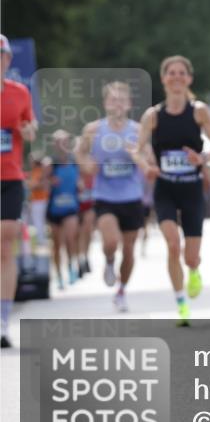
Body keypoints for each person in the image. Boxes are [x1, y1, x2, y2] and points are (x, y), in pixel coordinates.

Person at [132, 56, 210, 326]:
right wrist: (146, 166)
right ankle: (181, 302)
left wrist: (203, 158)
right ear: (163, 79)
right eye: (171, 73)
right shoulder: (153, 116)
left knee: (190, 255)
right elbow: (137, 151)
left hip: (192, 189)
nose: (176, 77)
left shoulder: (199, 111)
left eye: (182, 73)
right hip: (166, 189)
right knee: (172, 244)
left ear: (189, 79)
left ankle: (194, 269)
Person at [75, 81, 146, 312]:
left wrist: (137, 156)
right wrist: (87, 165)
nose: (117, 104)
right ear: (105, 103)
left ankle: (122, 291)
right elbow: (80, 152)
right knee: (111, 241)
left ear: (129, 104)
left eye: (121, 99)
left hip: (132, 196)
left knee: (129, 249)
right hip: (105, 195)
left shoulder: (137, 131)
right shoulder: (93, 129)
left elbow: (150, 161)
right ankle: (108, 261)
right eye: (112, 99)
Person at [0, 34, 37, 348]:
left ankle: (2, 320)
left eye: (1, 55)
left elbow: (32, 128)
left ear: (8, 60)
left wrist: (28, 130)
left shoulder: (20, 92)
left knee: (6, 241)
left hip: (11, 176)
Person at [47, 130, 81, 289]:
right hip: (54, 209)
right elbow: (39, 184)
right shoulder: (50, 163)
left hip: (71, 207)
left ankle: (71, 268)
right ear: (54, 144)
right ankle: (59, 275)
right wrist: (49, 182)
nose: (62, 145)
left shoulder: (74, 161)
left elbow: (80, 182)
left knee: (70, 239)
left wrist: (80, 186)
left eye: (65, 141)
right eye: (58, 142)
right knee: (56, 245)